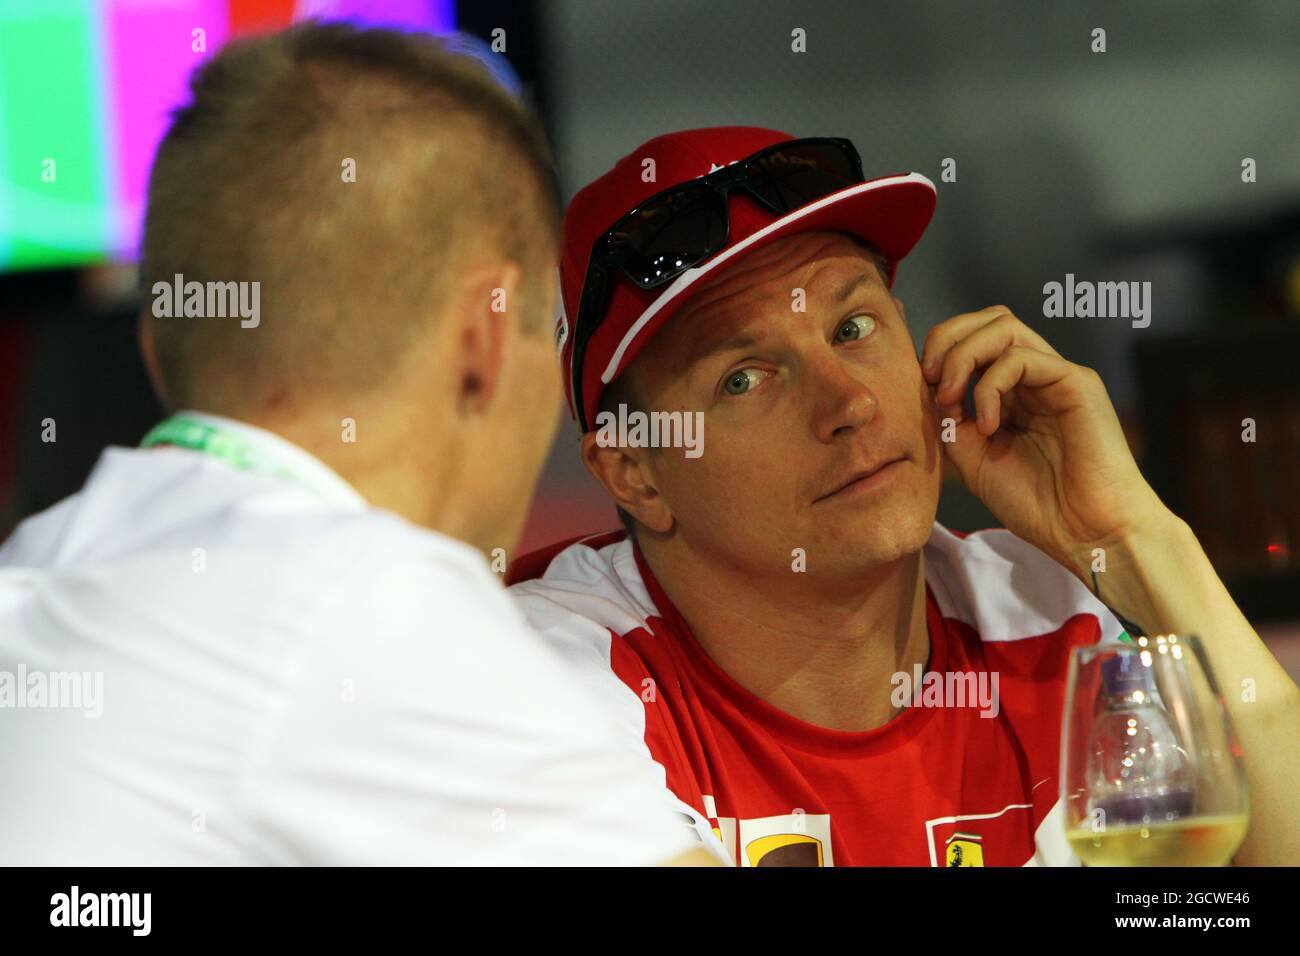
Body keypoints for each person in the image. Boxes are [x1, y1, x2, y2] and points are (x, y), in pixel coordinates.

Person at [0, 25, 714, 866]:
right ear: (483, 341)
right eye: (543, 333)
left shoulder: (39, 566)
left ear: (158, 346)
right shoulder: (362, 608)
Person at [506, 126, 1300, 866]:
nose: (848, 403)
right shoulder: (550, 672)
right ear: (633, 472)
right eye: (743, 379)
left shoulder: (1038, 613)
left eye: (853, 327)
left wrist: (1129, 538)